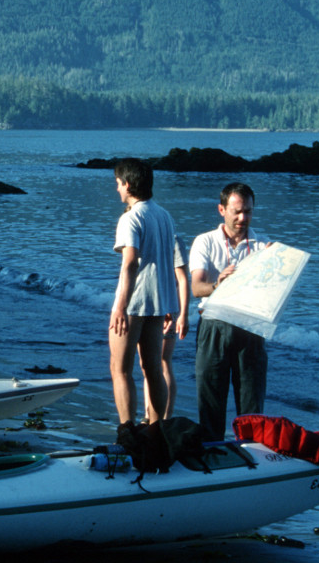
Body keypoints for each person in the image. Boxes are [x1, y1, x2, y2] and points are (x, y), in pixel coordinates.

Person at [190, 182, 272, 442]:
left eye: (247, 211)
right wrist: (218, 285)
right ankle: (213, 457)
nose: (242, 218)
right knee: (211, 402)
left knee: (252, 405)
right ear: (221, 210)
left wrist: (277, 266)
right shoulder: (205, 241)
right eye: (236, 211)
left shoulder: (262, 246)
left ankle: (251, 457)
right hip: (214, 325)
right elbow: (196, 287)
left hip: (249, 327)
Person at [110, 158, 179, 430]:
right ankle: (156, 427)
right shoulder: (164, 215)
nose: (117, 190)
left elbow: (130, 263)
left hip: (135, 301)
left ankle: (127, 430)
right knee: (153, 369)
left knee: (121, 370)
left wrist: (119, 307)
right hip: (159, 300)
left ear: (128, 184)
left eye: (118, 184)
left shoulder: (131, 218)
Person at [140, 234, 190, 423]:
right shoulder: (139, 235)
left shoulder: (172, 238)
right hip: (143, 305)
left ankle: (164, 417)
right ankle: (149, 414)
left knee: (162, 360)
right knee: (147, 363)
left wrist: (183, 313)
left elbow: (183, 279)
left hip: (166, 306)